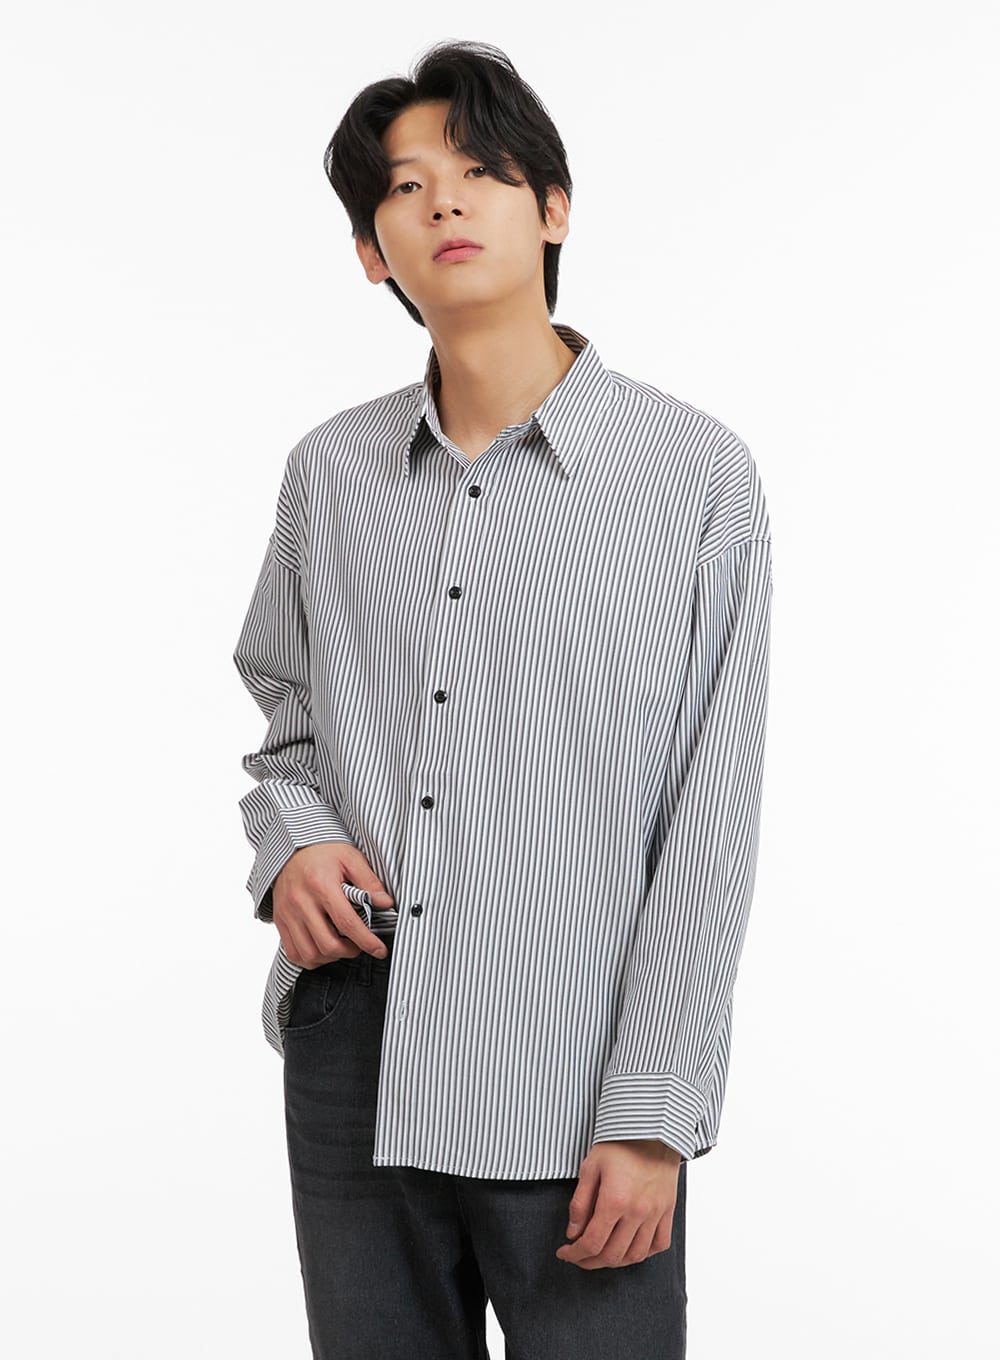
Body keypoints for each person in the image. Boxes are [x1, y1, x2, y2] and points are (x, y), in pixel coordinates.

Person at [233, 38, 773, 1360]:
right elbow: (287, 727)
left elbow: (711, 812)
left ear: (554, 209)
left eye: (479, 171)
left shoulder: (693, 475)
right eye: (404, 188)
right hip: (359, 1046)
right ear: (372, 253)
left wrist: (654, 1115)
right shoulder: (329, 473)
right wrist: (290, 842)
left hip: (575, 1075)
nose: (444, 202)